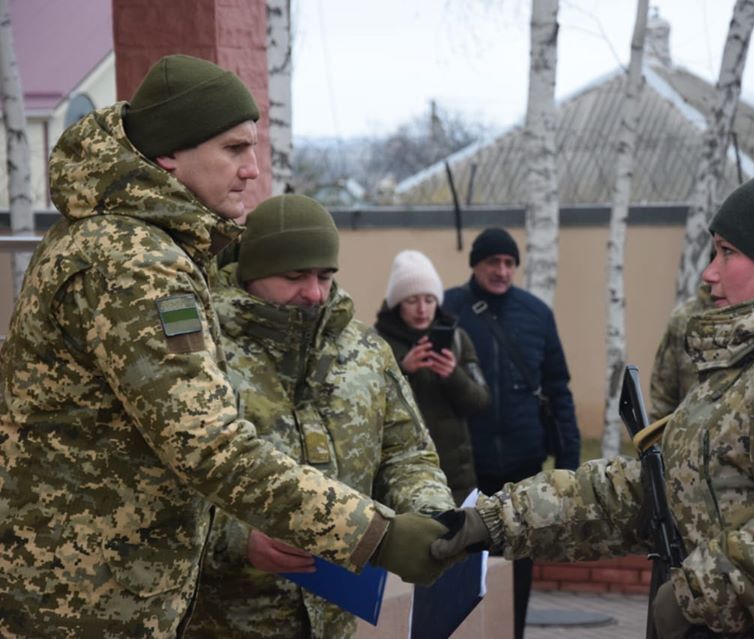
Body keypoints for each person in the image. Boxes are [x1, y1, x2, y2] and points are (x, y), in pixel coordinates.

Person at [0, 55, 451, 637]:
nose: (252, 170)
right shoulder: (137, 263)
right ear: (169, 155)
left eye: (254, 148)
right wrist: (375, 534)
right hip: (89, 600)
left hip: (83, 586)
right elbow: (209, 444)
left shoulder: (104, 238)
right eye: (234, 150)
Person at [433, 168, 754, 638]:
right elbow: (653, 490)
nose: (709, 274)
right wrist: (491, 522)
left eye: (727, 253)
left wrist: (699, 592)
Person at [186, 197, 456, 638]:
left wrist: (430, 516)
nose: (313, 293)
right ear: (252, 271)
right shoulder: (201, 352)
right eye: (294, 276)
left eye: (324, 276)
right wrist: (236, 540)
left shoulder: (366, 352)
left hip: (336, 619)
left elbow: (408, 454)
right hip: (225, 620)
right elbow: (151, 485)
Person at [442, 227, 581, 639]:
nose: (502, 271)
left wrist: (569, 461)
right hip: (466, 469)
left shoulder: (537, 314)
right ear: (476, 265)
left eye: (508, 263)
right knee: (461, 568)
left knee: (518, 568)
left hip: (523, 469)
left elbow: (558, 390)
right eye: (493, 263)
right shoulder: (448, 310)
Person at [374, 249, 490, 505]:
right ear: (396, 304)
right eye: (411, 300)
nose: (422, 309)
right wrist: (403, 371)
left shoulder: (458, 339)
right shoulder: (377, 343)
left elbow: (480, 402)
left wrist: (453, 375)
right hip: (400, 479)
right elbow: (368, 408)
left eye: (429, 299)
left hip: (457, 479)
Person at [648, 283, 711, 421]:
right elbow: (663, 399)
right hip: (689, 435)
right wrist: (657, 440)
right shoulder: (685, 317)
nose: (711, 274)